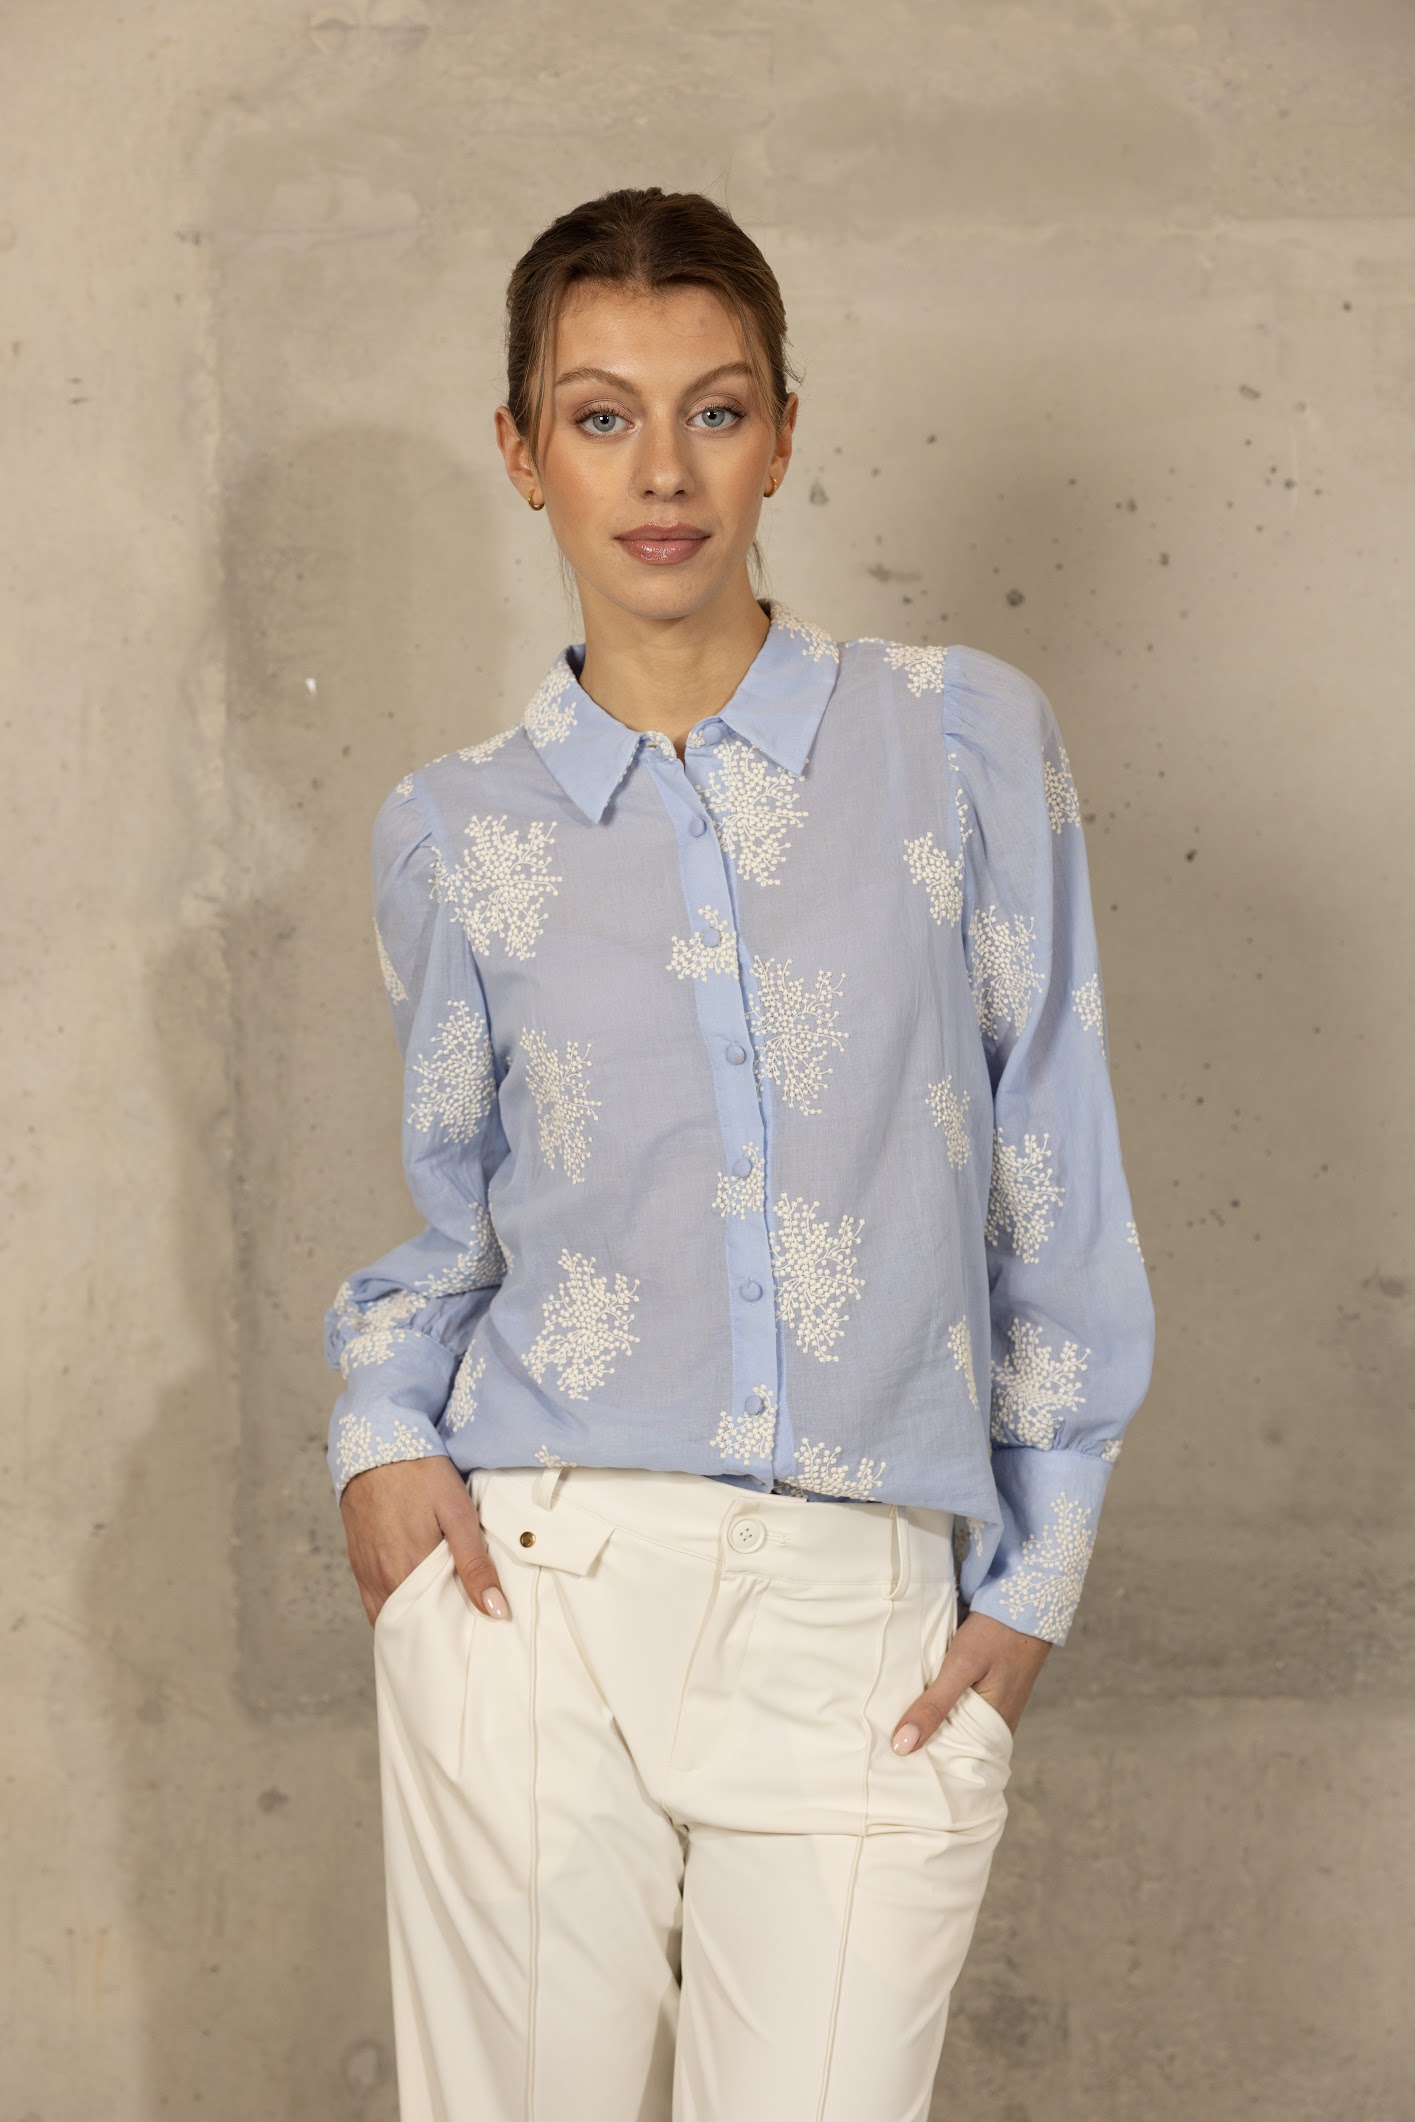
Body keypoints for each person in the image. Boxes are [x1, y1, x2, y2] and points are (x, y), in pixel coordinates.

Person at [324, 185, 1156, 2122]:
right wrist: (378, 1434)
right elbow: (458, 1217)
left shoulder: (960, 744)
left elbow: (1052, 1173)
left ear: (783, 430)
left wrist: (1034, 1574)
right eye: (600, 415)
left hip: (865, 1613)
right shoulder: (456, 833)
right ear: (522, 451)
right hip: (540, 1585)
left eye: (714, 408)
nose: (663, 472)